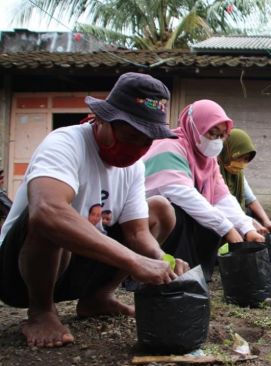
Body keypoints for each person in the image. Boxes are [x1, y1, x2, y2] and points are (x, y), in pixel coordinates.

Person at [0, 72, 189, 348]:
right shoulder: (65, 143)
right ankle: (41, 310)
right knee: (51, 217)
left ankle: (97, 298)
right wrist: (134, 262)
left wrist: (161, 258)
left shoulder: (133, 168)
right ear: (102, 119)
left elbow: (137, 232)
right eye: (131, 135)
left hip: (77, 269)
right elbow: (45, 211)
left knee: (160, 209)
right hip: (20, 274)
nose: (137, 147)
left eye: (146, 140)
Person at [143, 100, 264, 281]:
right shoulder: (169, 147)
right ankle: (163, 272)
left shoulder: (208, 159)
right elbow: (183, 194)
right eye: (211, 133)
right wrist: (227, 229)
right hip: (149, 226)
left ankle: (195, 273)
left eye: (222, 135)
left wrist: (246, 228)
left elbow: (221, 196)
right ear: (194, 126)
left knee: (214, 217)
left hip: (178, 216)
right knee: (183, 212)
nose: (216, 141)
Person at [218, 128, 271, 235]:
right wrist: (249, 222)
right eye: (239, 157)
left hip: (232, 216)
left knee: (251, 212)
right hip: (211, 217)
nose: (242, 163)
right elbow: (216, 205)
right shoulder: (212, 169)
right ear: (228, 151)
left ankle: (240, 246)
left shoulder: (238, 175)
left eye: (246, 159)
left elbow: (251, 200)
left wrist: (266, 221)